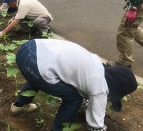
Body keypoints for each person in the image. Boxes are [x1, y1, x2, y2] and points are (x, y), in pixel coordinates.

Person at [10, 39, 138, 131]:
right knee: (74, 98)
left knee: (44, 73)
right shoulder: (100, 89)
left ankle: (18, 106)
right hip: (34, 65)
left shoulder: (95, 63)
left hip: (29, 47)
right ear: (114, 90)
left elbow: (78, 87)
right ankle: (58, 129)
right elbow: (95, 126)